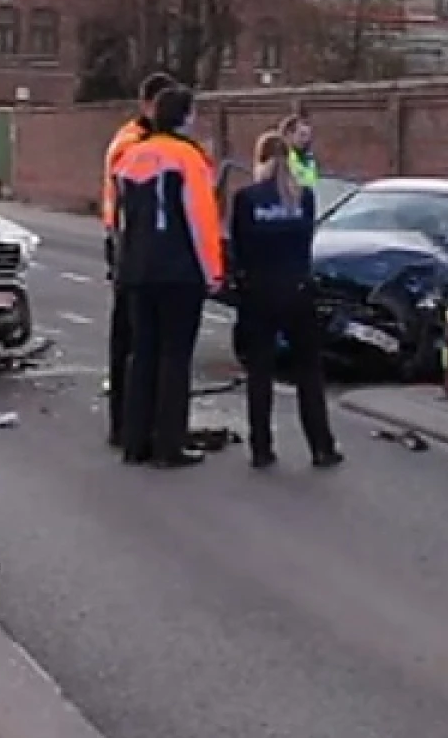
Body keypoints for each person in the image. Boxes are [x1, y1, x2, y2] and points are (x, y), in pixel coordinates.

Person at [112, 86, 224, 469]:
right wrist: (213, 272)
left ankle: (134, 441)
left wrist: (123, 265)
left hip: (137, 271)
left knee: (142, 353)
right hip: (178, 272)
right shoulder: (189, 158)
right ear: (186, 116)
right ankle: (168, 445)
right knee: (175, 358)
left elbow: (121, 220)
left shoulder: (130, 157)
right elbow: (200, 221)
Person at [229, 130, 342, 470]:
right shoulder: (303, 198)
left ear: (259, 160)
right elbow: (306, 245)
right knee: (309, 372)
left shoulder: (246, 199)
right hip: (297, 290)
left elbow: (238, 249)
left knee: (260, 372)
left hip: (259, 293)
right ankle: (321, 446)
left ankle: (261, 448)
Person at [100, 72, 176, 448]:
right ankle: (126, 424)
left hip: (131, 242)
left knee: (136, 341)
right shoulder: (133, 142)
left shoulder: (136, 140)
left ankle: (135, 423)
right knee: (130, 342)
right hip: (128, 243)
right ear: (149, 104)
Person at [279, 114, 319, 189]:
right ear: (289, 134)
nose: (306, 140)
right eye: (302, 135)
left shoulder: (308, 158)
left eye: (308, 136)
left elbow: (312, 184)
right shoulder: (279, 158)